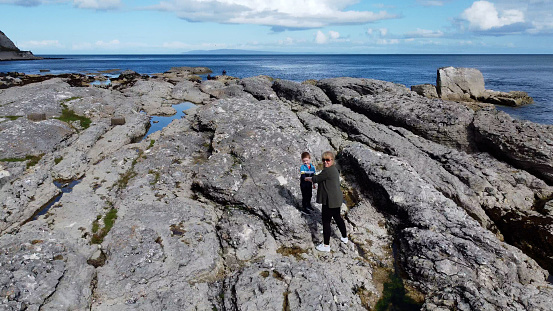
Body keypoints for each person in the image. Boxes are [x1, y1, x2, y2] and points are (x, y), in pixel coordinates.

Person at [305, 151, 347, 252]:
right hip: (336, 199)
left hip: (330, 201)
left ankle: (326, 245)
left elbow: (316, 178)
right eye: (323, 160)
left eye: (328, 160)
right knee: (337, 218)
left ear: (332, 160)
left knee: (326, 221)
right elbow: (323, 177)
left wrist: (307, 178)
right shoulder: (335, 169)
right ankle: (345, 237)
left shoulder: (327, 171)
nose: (325, 162)